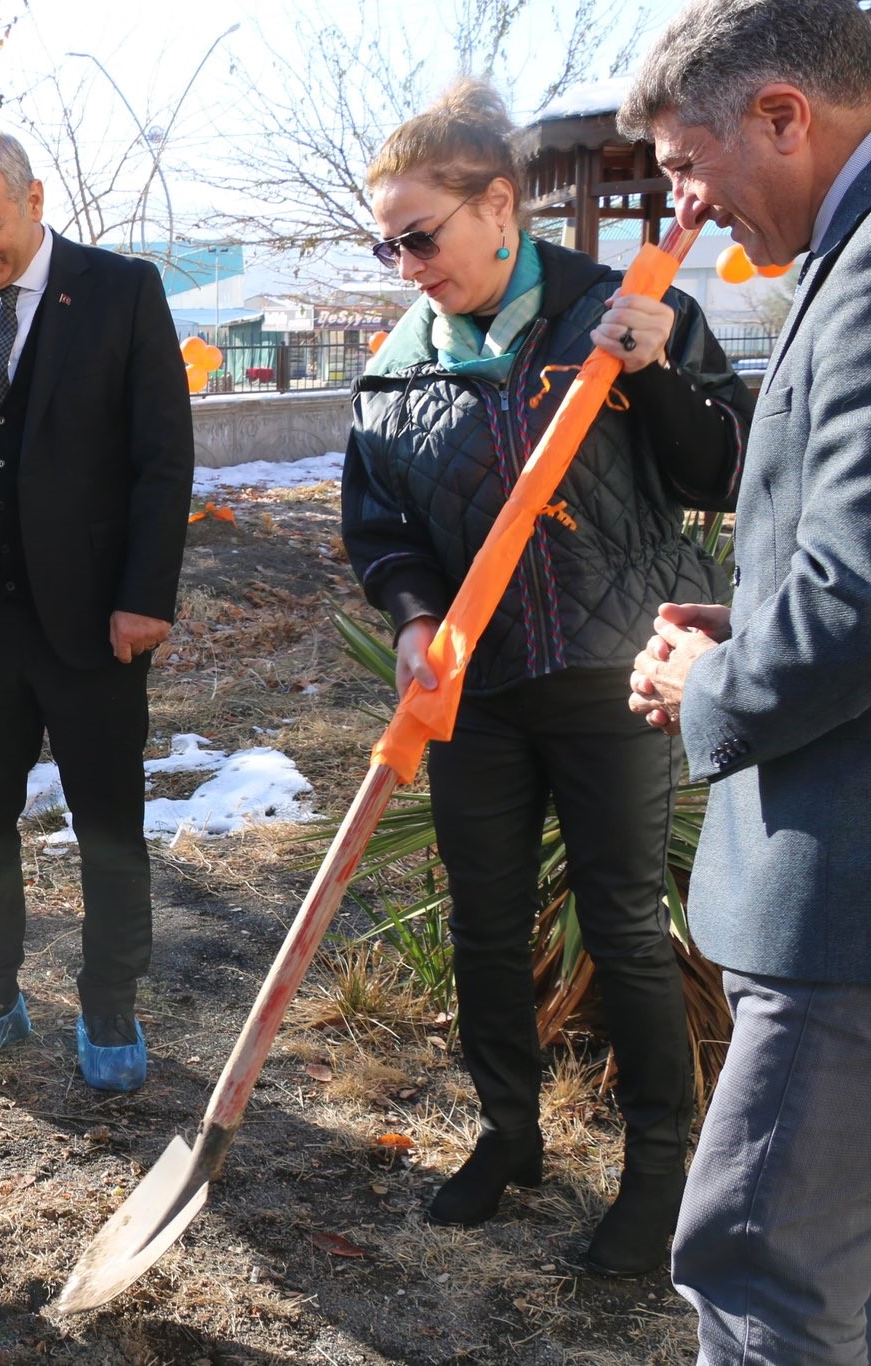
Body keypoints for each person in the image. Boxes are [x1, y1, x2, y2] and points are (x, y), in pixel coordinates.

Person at [343, 79, 750, 1274]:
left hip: (607, 668)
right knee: (481, 920)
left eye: (420, 236)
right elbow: (381, 529)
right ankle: (506, 1133)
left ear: (499, 207)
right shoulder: (395, 364)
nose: (406, 264)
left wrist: (660, 368)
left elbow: (718, 473)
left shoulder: (626, 305)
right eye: (388, 244)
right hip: (471, 684)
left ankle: (656, 1170)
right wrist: (414, 618)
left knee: (622, 921)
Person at [619, 0, 871, 1354]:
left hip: (847, 902)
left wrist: (709, 683)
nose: (687, 208)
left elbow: (864, 596)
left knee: (761, 1271)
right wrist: (744, 619)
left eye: (683, 166)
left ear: (783, 114)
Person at [0, 126, 195, 1091]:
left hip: (94, 619)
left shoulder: (120, 289)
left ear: (34, 198)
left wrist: (144, 597)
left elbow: (161, 458)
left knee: (107, 818)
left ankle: (109, 1000)